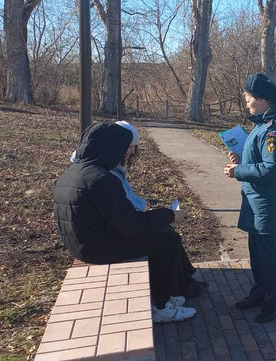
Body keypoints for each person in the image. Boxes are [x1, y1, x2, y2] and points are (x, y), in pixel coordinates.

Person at [54, 122, 201, 323]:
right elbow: (132, 225)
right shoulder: (101, 179)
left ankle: (164, 295)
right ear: (111, 147)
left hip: (82, 244)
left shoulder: (75, 172)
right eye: (124, 148)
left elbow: (120, 218)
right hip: (97, 249)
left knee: (162, 234)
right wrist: (170, 215)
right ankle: (161, 306)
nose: (127, 153)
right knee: (167, 239)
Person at [224, 73, 276, 323]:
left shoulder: (275, 129)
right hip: (256, 198)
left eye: (248, 99)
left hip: (269, 201)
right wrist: (242, 160)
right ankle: (261, 292)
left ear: (263, 100)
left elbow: (272, 169)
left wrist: (238, 171)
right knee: (257, 251)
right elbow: (261, 161)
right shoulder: (264, 123)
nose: (246, 104)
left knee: (271, 254)